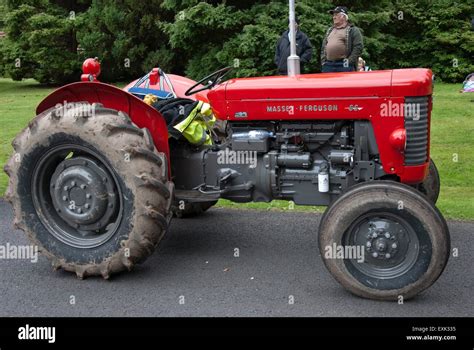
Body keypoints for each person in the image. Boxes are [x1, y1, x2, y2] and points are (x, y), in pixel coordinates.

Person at [320, 6, 363, 73]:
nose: (334, 17)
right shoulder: (330, 30)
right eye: (333, 15)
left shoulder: (353, 30)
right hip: (328, 64)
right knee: (328, 83)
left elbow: (358, 47)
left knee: (345, 83)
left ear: (343, 16)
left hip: (344, 64)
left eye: (336, 15)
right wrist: (323, 62)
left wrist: (349, 62)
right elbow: (323, 47)